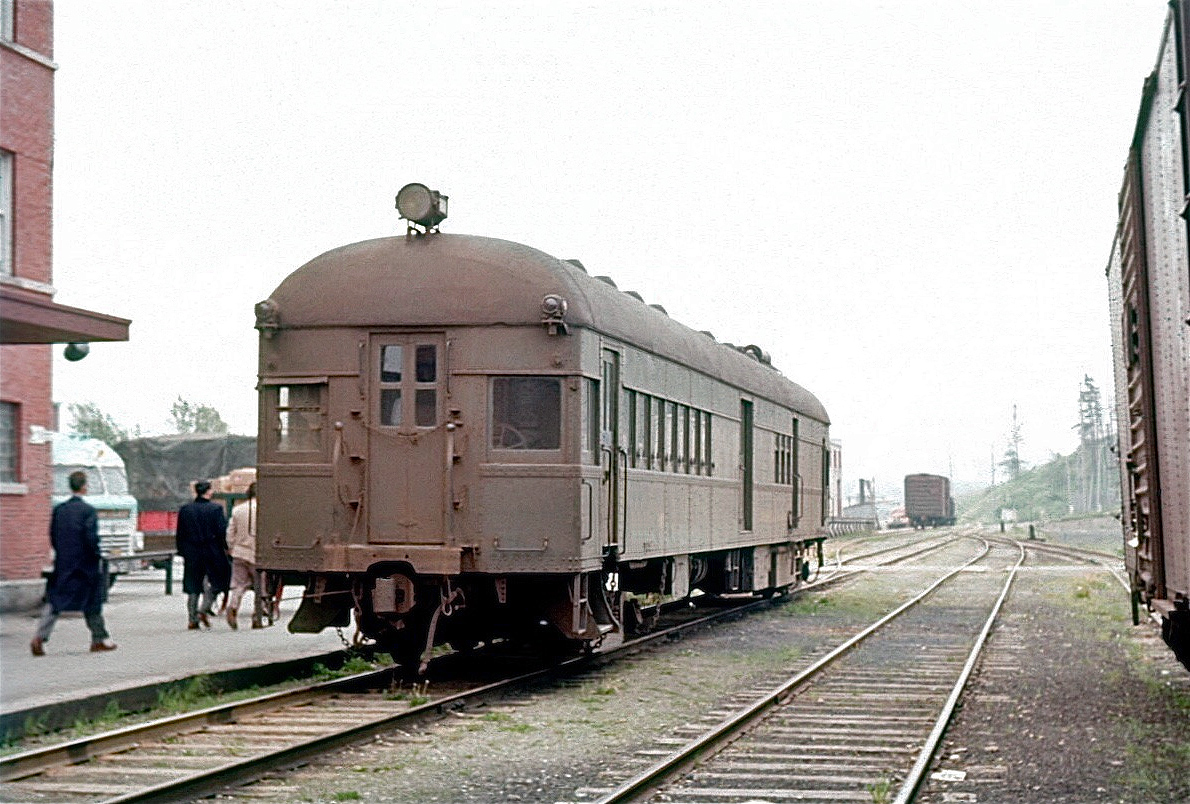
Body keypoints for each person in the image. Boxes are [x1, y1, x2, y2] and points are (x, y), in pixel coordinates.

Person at [30, 470, 117, 655]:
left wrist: (62, 553)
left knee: (56, 600)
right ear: (84, 487)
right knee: (92, 601)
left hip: (64, 563)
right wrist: (97, 555)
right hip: (85, 565)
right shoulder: (88, 511)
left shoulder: (59, 510)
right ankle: (99, 639)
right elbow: (91, 538)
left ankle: (40, 637)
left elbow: (53, 535)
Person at [175, 480, 231, 629]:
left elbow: (180, 533)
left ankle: (192, 619)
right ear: (209, 491)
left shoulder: (185, 510)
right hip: (212, 551)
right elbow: (221, 532)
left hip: (192, 553)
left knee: (193, 586)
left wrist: (182, 551)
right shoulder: (216, 509)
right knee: (217, 582)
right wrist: (226, 548)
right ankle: (203, 609)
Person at [225, 482, 264, 629]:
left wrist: (231, 548)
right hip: (259, 554)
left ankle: (233, 605)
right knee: (261, 586)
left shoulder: (237, 510)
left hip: (240, 552)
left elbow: (230, 533)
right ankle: (257, 616)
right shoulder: (265, 510)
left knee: (239, 584)